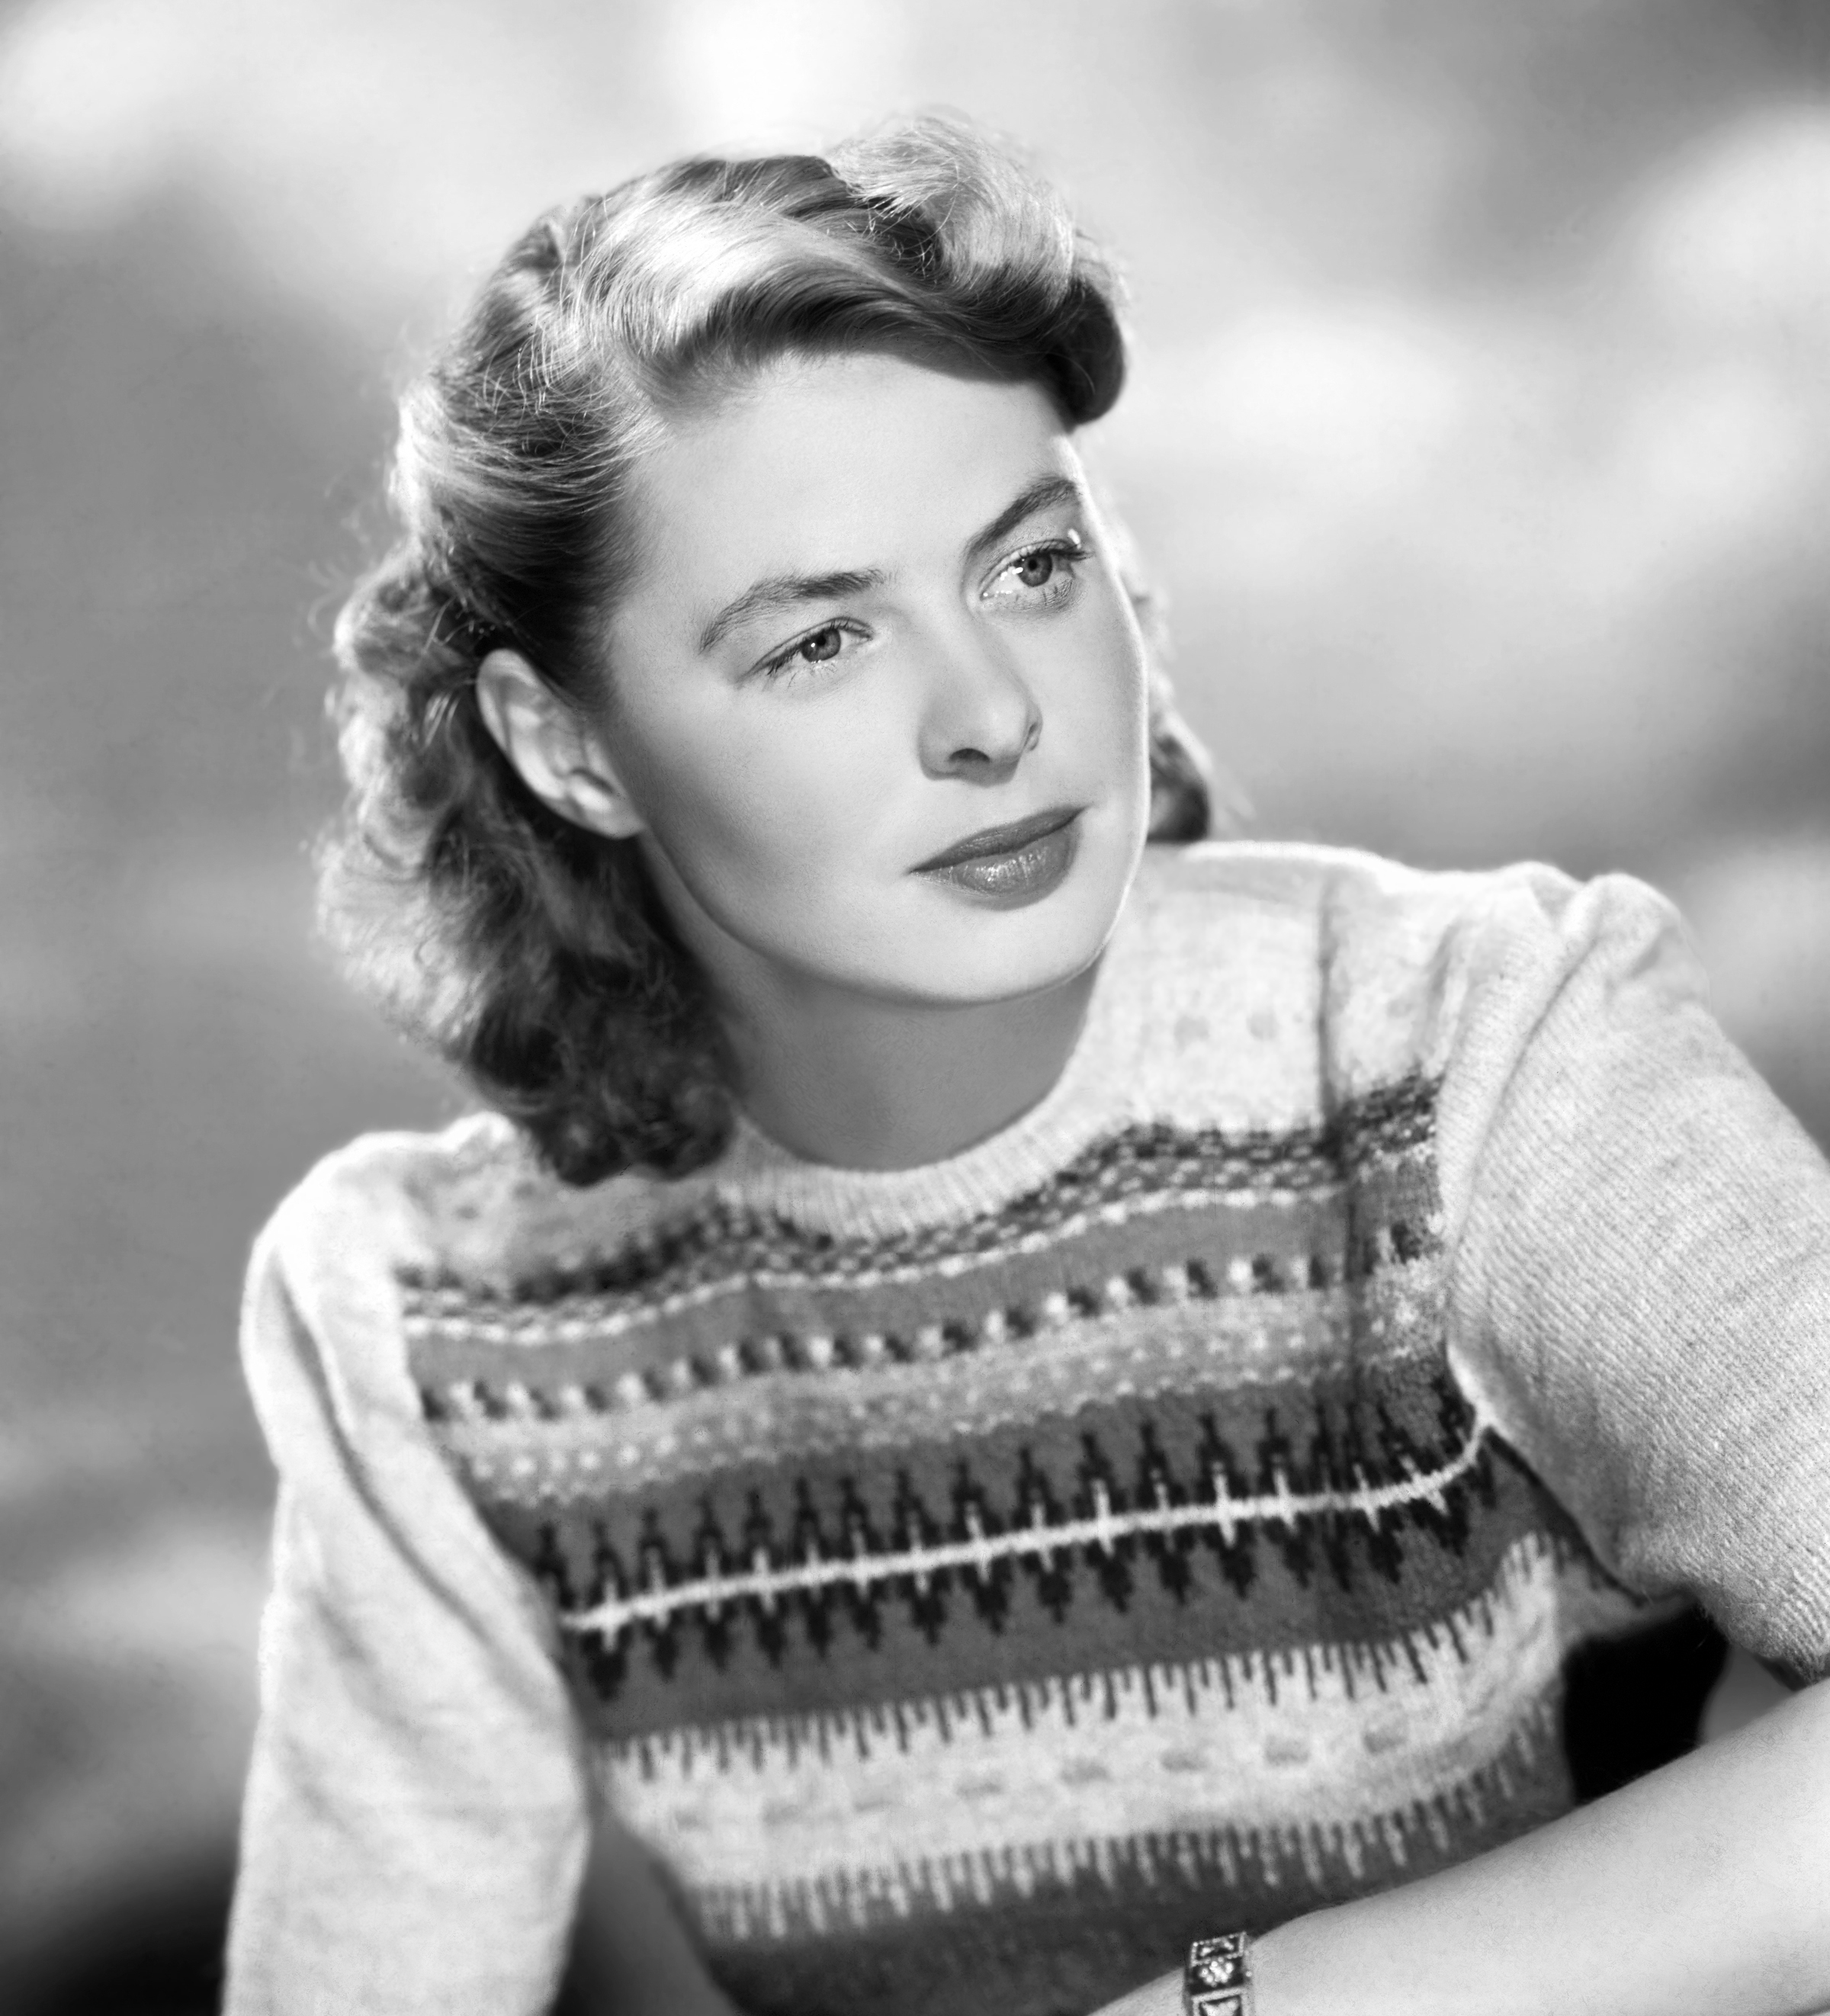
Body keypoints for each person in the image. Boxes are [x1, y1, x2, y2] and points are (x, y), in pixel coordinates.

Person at [225, 117, 1830, 2016]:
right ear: (566, 747)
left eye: (1031, 563)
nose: (993, 712)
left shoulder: (1475, 1039)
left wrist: (1245, 2002)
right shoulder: (435, 1327)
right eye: (822, 638)